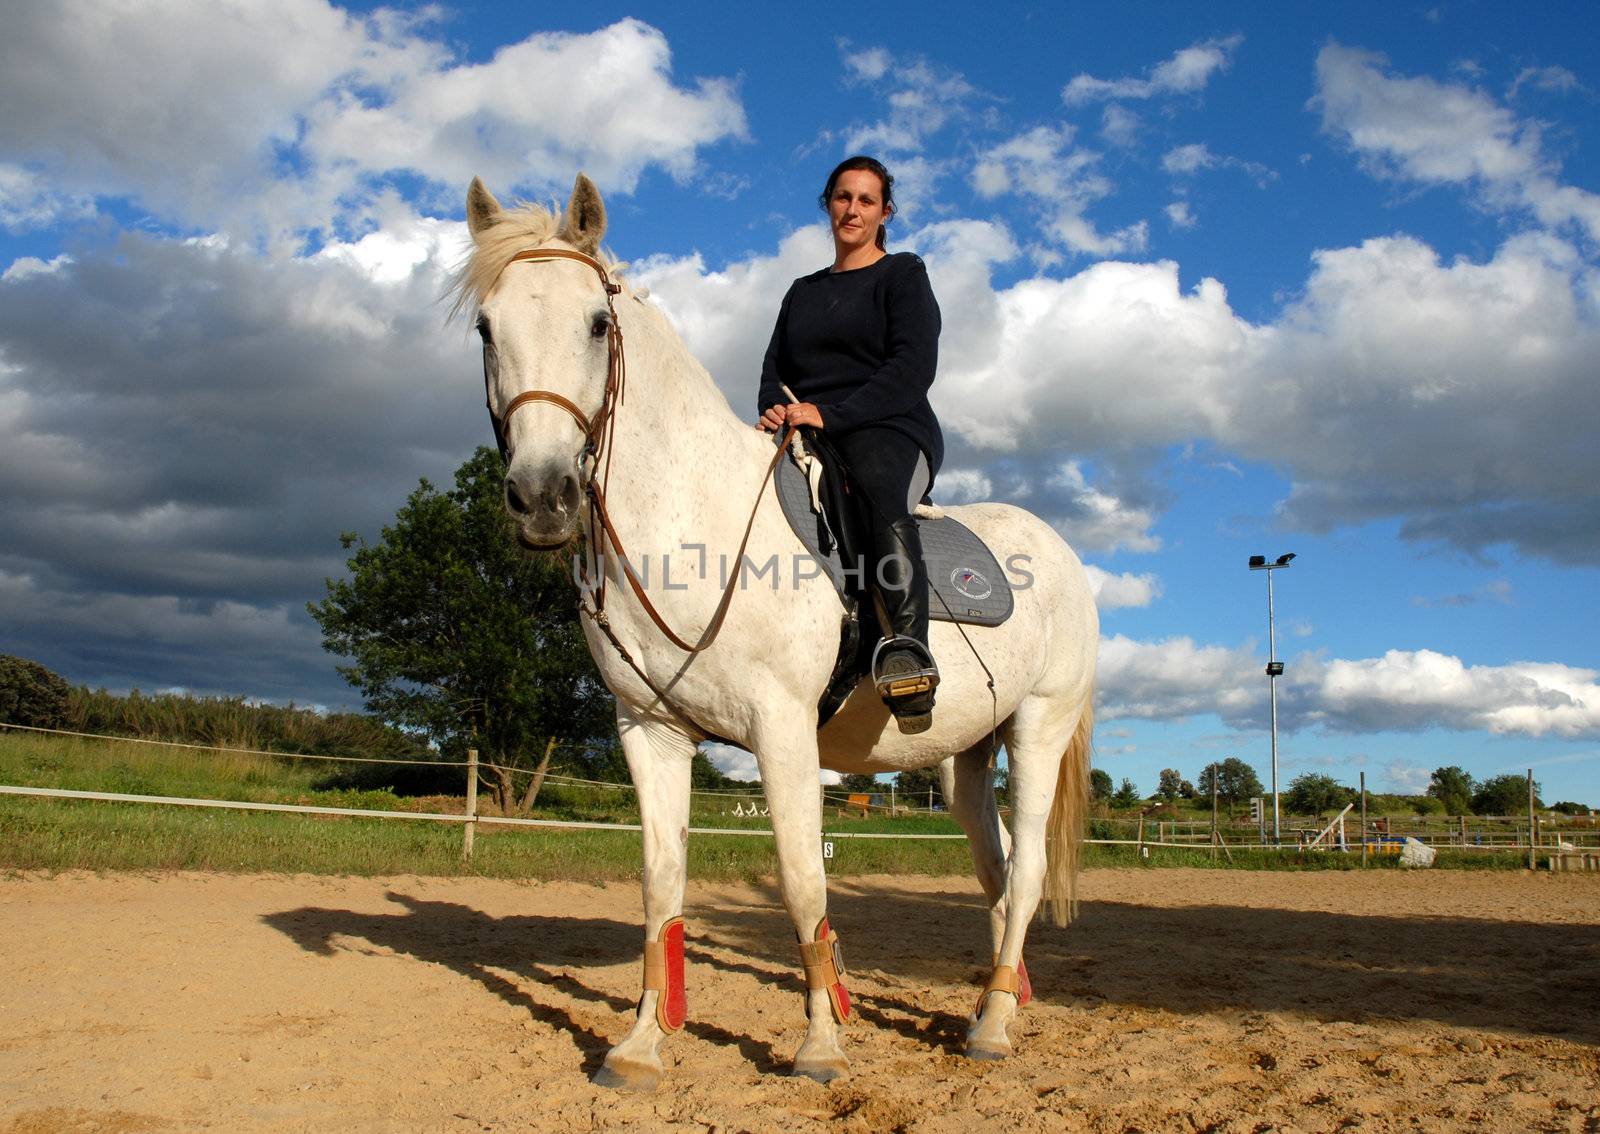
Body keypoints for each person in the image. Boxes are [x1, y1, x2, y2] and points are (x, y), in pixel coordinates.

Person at [756, 155, 944, 733]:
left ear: (885, 211)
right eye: (842, 197)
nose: (852, 209)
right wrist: (774, 407)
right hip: (805, 427)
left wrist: (832, 413)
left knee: (878, 486)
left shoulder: (903, 275)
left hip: (888, 425)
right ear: (828, 205)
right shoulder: (801, 291)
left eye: (866, 200)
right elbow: (772, 367)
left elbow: (912, 368)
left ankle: (907, 652)